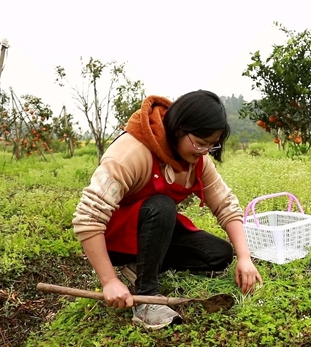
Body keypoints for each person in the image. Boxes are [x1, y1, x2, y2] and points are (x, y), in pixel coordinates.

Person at [72, 90, 263, 330]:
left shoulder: (197, 161)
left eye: (210, 146)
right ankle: (147, 301)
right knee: (162, 205)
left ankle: (138, 266)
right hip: (114, 239)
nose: (204, 152)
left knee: (218, 253)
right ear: (178, 130)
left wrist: (244, 258)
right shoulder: (131, 153)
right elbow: (88, 218)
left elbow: (225, 204)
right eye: (200, 143)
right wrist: (109, 280)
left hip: (149, 232)